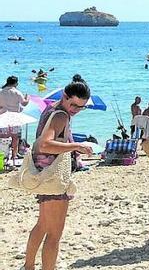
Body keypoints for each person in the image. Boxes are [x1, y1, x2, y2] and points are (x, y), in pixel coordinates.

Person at [24, 79, 94, 270]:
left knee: (42, 226)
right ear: (65, 96)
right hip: (54, 178)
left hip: (43, 174)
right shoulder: (61, 116)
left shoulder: (51, 109)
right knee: (54, 234)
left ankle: (28, 266)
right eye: (73, 104)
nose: (75, 110)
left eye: (80, 107)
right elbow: (44, 144)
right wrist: (77, 146)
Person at [0, 75, 28, 158]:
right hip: (14, 118)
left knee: (2, 137)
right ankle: (14, 155)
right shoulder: (17, 92)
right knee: (15, 138)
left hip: (3, 117)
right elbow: (24, 103)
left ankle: (2, 154)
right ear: (16, 83)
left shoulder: (1, 92)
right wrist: (28, 98)